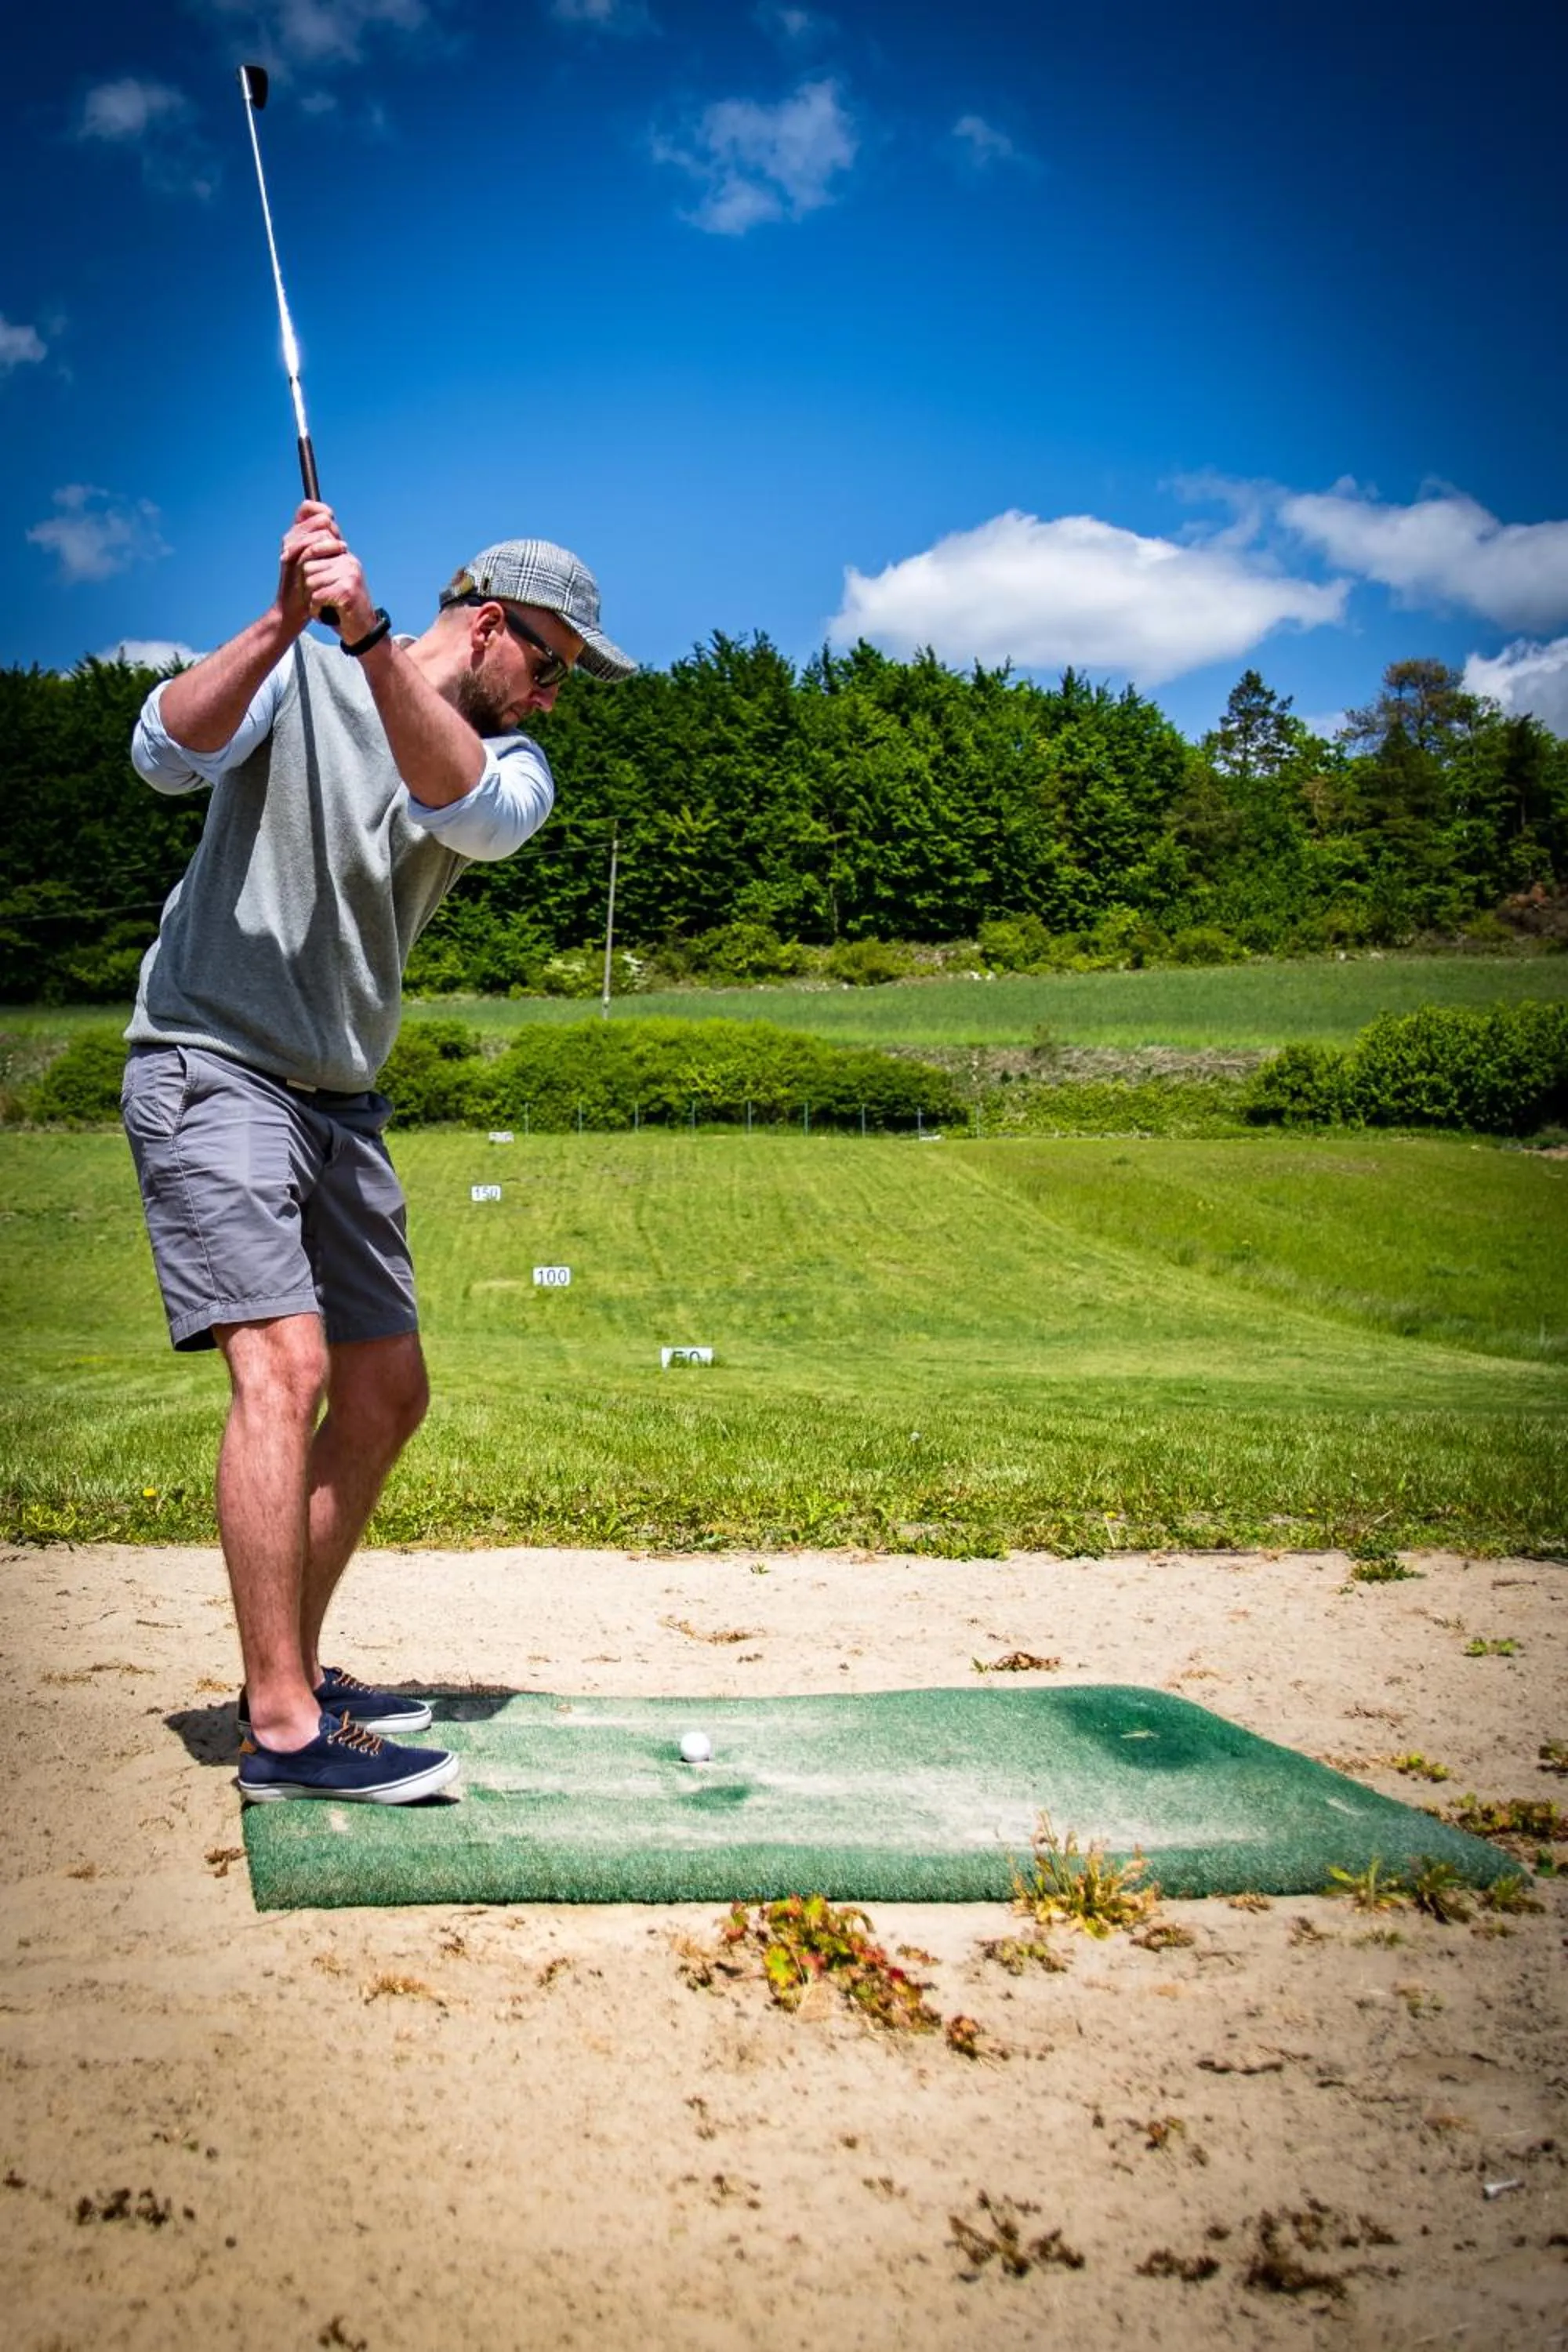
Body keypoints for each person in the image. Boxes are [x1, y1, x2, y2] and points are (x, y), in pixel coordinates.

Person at [122, 500, 635, 1802]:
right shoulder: (301, 668)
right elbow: (159, 754)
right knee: (282, 1371)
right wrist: (290, 623)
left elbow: (461, 804)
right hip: (212, 1059)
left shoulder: (509, 761)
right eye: (555, 664)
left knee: (388, 1392)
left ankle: (281, 1661)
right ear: (490, 623)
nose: (559, 696)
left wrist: (369, 638)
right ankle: (286, 1731)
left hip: (340, 1100)